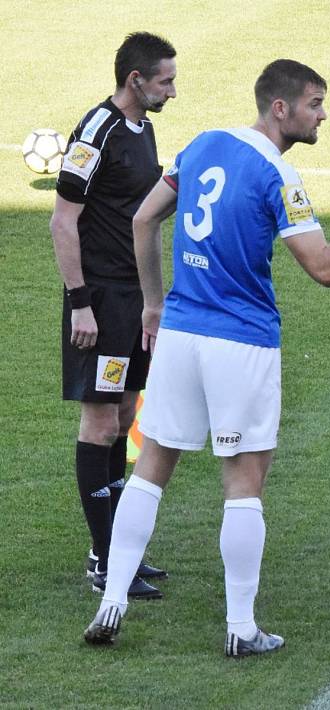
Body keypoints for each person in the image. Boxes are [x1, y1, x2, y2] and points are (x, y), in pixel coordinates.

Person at [83, 59, 330, 655]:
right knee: (243, 483)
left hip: (182, 338)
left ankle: (111, 600)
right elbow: (323, 268)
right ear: (281, 108)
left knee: (149, 471)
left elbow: (143, 219)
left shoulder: (202, 144)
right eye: (315, 103)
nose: (323, 114)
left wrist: (153, 305)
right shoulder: (279, 174)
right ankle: (241, 629)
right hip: (241, 342)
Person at [51, 32, 177, 600]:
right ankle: (104, 560)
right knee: (100, 423)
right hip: (100, 300)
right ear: (136, 81)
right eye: (165, 81)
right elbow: (63, 220)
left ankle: (119, 548)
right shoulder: (96, 131)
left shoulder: (142, 129)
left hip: (135, 301)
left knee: (126, 417)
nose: (172, 91)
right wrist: (80, 301)